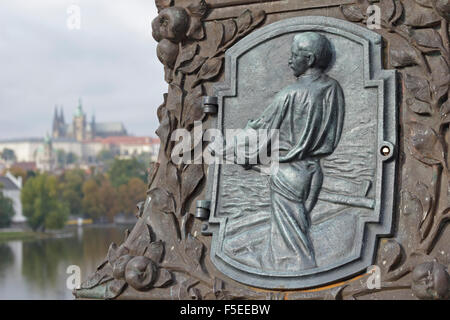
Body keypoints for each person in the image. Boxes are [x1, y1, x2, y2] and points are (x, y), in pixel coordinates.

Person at [216, 32, 345, 271]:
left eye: (294, 55)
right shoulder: (332, 88)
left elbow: (260, 131)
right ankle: (284, 266)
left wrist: (226, 148)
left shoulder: (289, 94)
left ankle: (299, 273)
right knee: (295, 228)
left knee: (292, 240)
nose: (289, 60)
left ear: (308, 58)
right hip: (313, 172)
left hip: (288, 174)